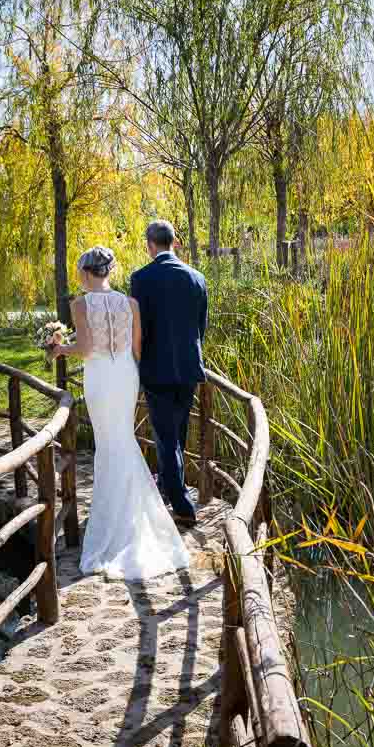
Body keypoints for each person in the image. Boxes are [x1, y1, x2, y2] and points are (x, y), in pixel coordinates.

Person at [51, 246, 189, 581]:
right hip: (126, 375)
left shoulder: (80, 304)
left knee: (109, 445)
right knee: (123, 441)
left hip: (100, 378)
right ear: (109, 271)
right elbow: (137, 347)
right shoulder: (131, 303)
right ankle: (133, 520)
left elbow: (84, 349)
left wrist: (60, 348)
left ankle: (114, 526)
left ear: (86, 272)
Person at [130, 220, 208, 526]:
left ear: (151, 244)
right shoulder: (197, 277)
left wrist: (138, 361)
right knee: (178, 432)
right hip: (189, 367)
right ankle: (169, 485)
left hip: (156, 369)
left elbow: (140, 328)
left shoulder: (141, 278)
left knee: (166, 437)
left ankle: (183, 508)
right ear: (174, 242)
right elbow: (201, 326)